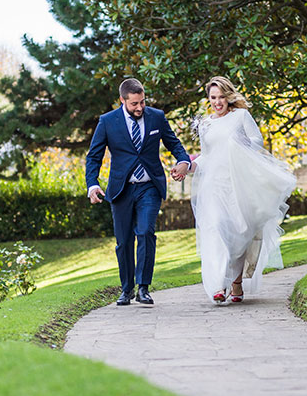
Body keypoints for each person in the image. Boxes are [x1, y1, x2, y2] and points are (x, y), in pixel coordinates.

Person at [186, 76, 296, 303]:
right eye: (213, 98)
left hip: (238, 184)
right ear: (209, 99)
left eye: (221, 97)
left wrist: (240, 143)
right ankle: (219, 284)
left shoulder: (241, 116)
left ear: (228, 96)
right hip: (214, 187)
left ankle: (235, 282)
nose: (217, 102)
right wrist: (189, 166)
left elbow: (257, 141)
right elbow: (206, 156)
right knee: (216, 228)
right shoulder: (206, 124)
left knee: (239, 232)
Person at [86, 78, 191, 306]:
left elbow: (174, 144)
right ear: (122, 100)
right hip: (121, 189)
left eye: (142, 102)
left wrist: (184, 161)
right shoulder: (107, 121)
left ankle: (144, 288)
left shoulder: (156, 116)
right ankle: (127, 289)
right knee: (124, 242)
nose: (140, 108)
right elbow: (94, 156)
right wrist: (92, 184)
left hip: (149, 187)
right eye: (134, 104)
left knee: (145, 232)